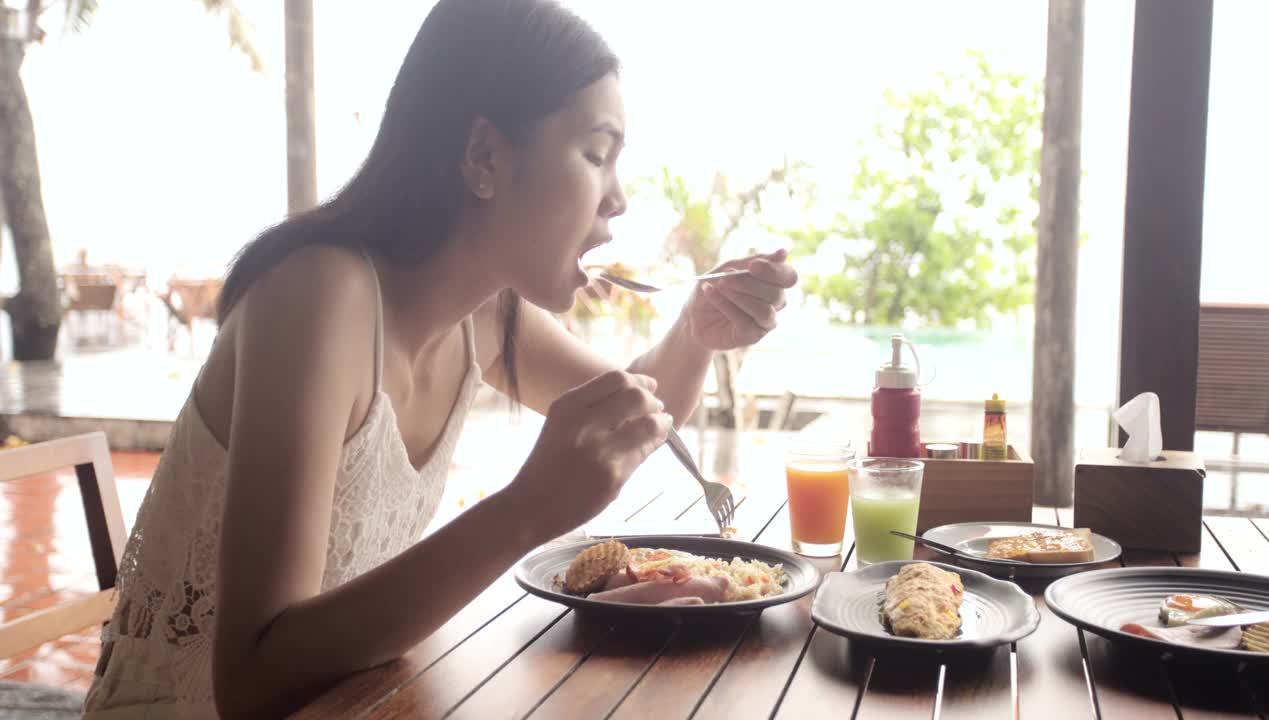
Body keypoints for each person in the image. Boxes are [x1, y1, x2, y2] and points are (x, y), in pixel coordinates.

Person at [82, 0, 796, 717]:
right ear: (485, 156)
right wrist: (524, 510)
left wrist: (696, 333)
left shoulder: (483, 316)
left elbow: (639, 415)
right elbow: (249, 681)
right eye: (596, 153)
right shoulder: (317, 297)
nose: (618, 198)